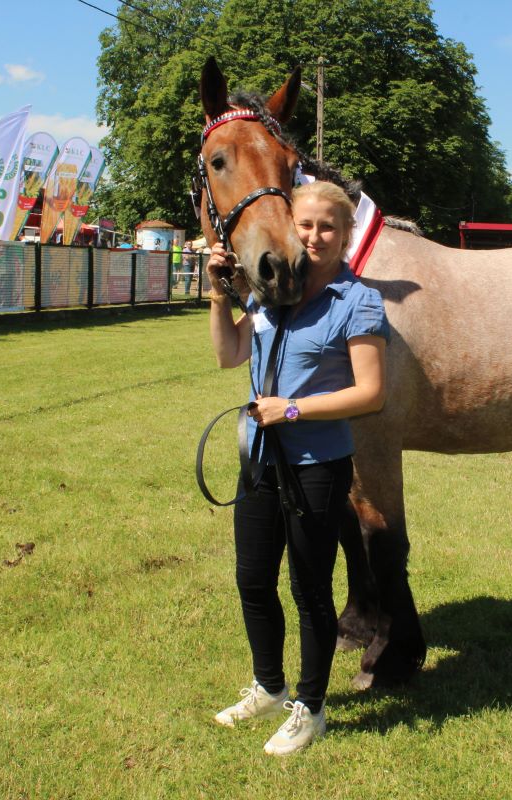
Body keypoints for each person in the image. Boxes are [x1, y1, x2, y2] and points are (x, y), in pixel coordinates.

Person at [205, 180, 389, 756]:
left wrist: (292, 408)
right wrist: (218, 295)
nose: (313, 236)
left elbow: (372, 393)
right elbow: (229, 354)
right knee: (252, 579)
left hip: (317, 465)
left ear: (346, 233)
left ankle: (309, 707)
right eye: (304, 225)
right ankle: (268, 684)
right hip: (259, 459)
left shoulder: (358, 301)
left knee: (309, 589)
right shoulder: (272, 290)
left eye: (326, 227)